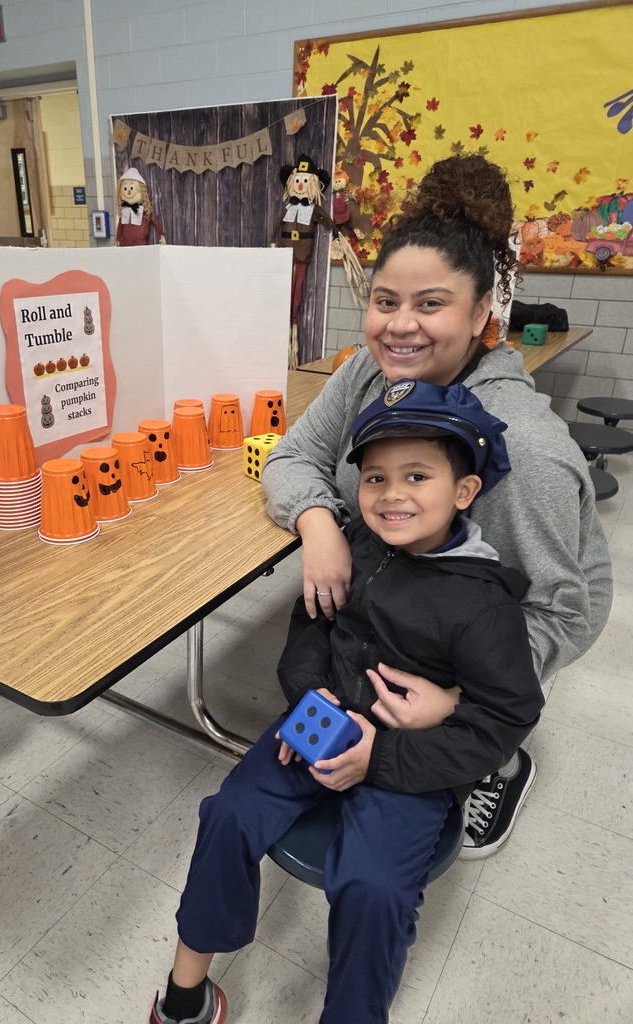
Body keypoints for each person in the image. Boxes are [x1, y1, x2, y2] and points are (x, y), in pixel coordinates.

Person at [148, 378, 545, 1024]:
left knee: (372, 888)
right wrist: (313, 699)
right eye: (376, 479)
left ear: (465, 491)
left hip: (408, 762)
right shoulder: (357, 547)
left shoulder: (483, 603)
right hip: (320, 723)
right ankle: (185, 993)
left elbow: (505, 716)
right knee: (227, 814)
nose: (392, 496)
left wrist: (380, 757)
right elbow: (312, 626)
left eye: (417, 477)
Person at [262, 153, 612, 858]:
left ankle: (501, 764)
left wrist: (466, 703)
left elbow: (558, 609)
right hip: (401, 578)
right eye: (386, 302)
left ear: (483, 310)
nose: (400, 327)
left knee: (460, 712)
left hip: (515, 611)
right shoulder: (369, 372)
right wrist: (319, 523)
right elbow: (291, 456)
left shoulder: (527, 453)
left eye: (431, 305)